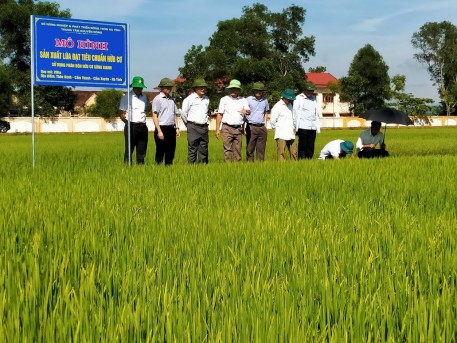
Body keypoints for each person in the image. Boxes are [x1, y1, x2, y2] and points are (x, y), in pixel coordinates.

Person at [216, 79, 250, 162]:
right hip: (226, 127)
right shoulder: (224, 99)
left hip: (238, 128)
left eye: (235, 88)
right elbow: (220, 114)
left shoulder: (243, 100)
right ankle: (228, 167)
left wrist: (247, 112)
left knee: (237, 149)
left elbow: (248, 111)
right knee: (227, 149)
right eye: (231, 88)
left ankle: (237, 168)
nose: (233, 90)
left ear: (239, 90)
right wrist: (217, 129)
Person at [119, 76, 149, 164]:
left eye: (141, 87)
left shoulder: (144, 97)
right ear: (133, 87)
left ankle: (140, 167)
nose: (139, 89)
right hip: (131, 125)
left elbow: (144, 111)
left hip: (143, 125)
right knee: (129, 148)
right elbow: (121, 114)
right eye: (137, 87)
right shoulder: (127, 97)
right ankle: (128, 167)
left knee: (142, 149)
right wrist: (128, 123)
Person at [181, 78, 210, 164]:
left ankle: (203, 167)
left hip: (204, 126)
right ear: (195, 88)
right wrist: (188, 124)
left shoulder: (207, 99)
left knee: (204, 148)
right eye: (201, 87)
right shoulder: (189, 99)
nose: (203, 89)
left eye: (204, 87)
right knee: (192, 148)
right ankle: (191, 167)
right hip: (192, 126)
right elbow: (183, 113)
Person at [151, 77, 179, 166]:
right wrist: (159, 131)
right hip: (162, 127)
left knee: (171, 150)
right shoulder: (157, 99)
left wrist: (177, 127)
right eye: (167, 87)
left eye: (170, 87)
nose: (169, 89)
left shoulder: (172, 99)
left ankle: (168, 168)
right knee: (160, 150)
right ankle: (158, 168)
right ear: (162, 88)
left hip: (171, 127)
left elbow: (175, 114)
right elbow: (154, 115)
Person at [294, 82, 320, 159]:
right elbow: (295, 112)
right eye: (308, 91)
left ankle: (309, 159)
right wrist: (296, 125)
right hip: (303, 125)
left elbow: (316, 112)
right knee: (302, 145)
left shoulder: (313, 99)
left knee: (311, 145)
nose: (309, 93)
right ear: (304, 90)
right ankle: (301, 159)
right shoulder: (298, 98)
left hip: (312, 126)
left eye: (311, 91)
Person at [269, 89, 297, 161]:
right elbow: (272, 121)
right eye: (289, 99)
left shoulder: (290, 105)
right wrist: (277, 129)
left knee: (294, 151)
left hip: (290, 132)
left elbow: (292, 118)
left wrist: (293, 127)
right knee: (281, 152)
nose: (290, 101)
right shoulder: (277, 106)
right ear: (284, 97)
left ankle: (295, 167)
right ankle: (282, 167)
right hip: (281, 133)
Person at [245, 82, 270, 162]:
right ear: (253, 90)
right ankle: (250, 165)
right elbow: (244, 111)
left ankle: (260, 165)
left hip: (262, 127)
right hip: (251, 126)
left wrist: (265, 123)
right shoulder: (248, 99)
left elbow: (266, 112)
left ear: (263, 91)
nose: (258, 92)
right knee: (250, 148)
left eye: (260, 90)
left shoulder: (265, 100)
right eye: (256, 90)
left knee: (261, 148)